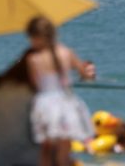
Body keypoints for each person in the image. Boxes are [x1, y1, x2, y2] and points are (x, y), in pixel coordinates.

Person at [26, 16, 95, 166]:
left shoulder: (34, 59)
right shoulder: (67, 53)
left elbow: (33, 86)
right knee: (64, 152)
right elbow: (84, 74)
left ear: (36, 38)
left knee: (45, 151)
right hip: (66, 105)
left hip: (45, 107)